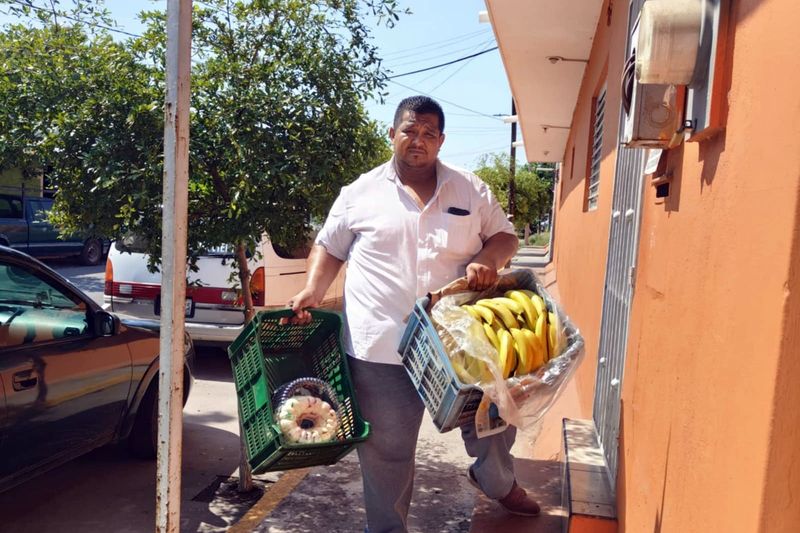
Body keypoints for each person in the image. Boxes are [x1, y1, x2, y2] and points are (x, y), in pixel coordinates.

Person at [285, 96, 540, 532]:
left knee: (492, 425)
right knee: (387, 452)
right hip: (381, 347)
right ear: (392, 134)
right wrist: (313, 288)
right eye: (409, 130)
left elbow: (504, 237)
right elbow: (329, 247)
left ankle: (496, 482)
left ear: (441, 140)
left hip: (459, 343)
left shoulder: (471, 189)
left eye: (428, 133)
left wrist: (489, 260)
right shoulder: (358, 193)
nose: (417, 140)